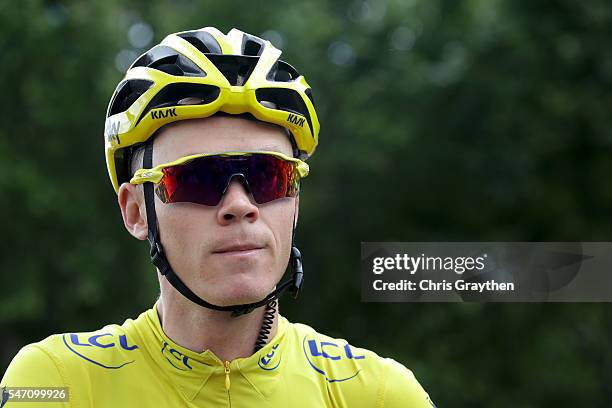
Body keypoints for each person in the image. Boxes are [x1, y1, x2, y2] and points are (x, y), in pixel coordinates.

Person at [1, 27, 435, 407]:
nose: (241, 205)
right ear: (136, 212)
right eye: (198, 178)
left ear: (296, 202)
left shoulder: (379, 395)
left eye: (269, 176)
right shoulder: (55, 384)